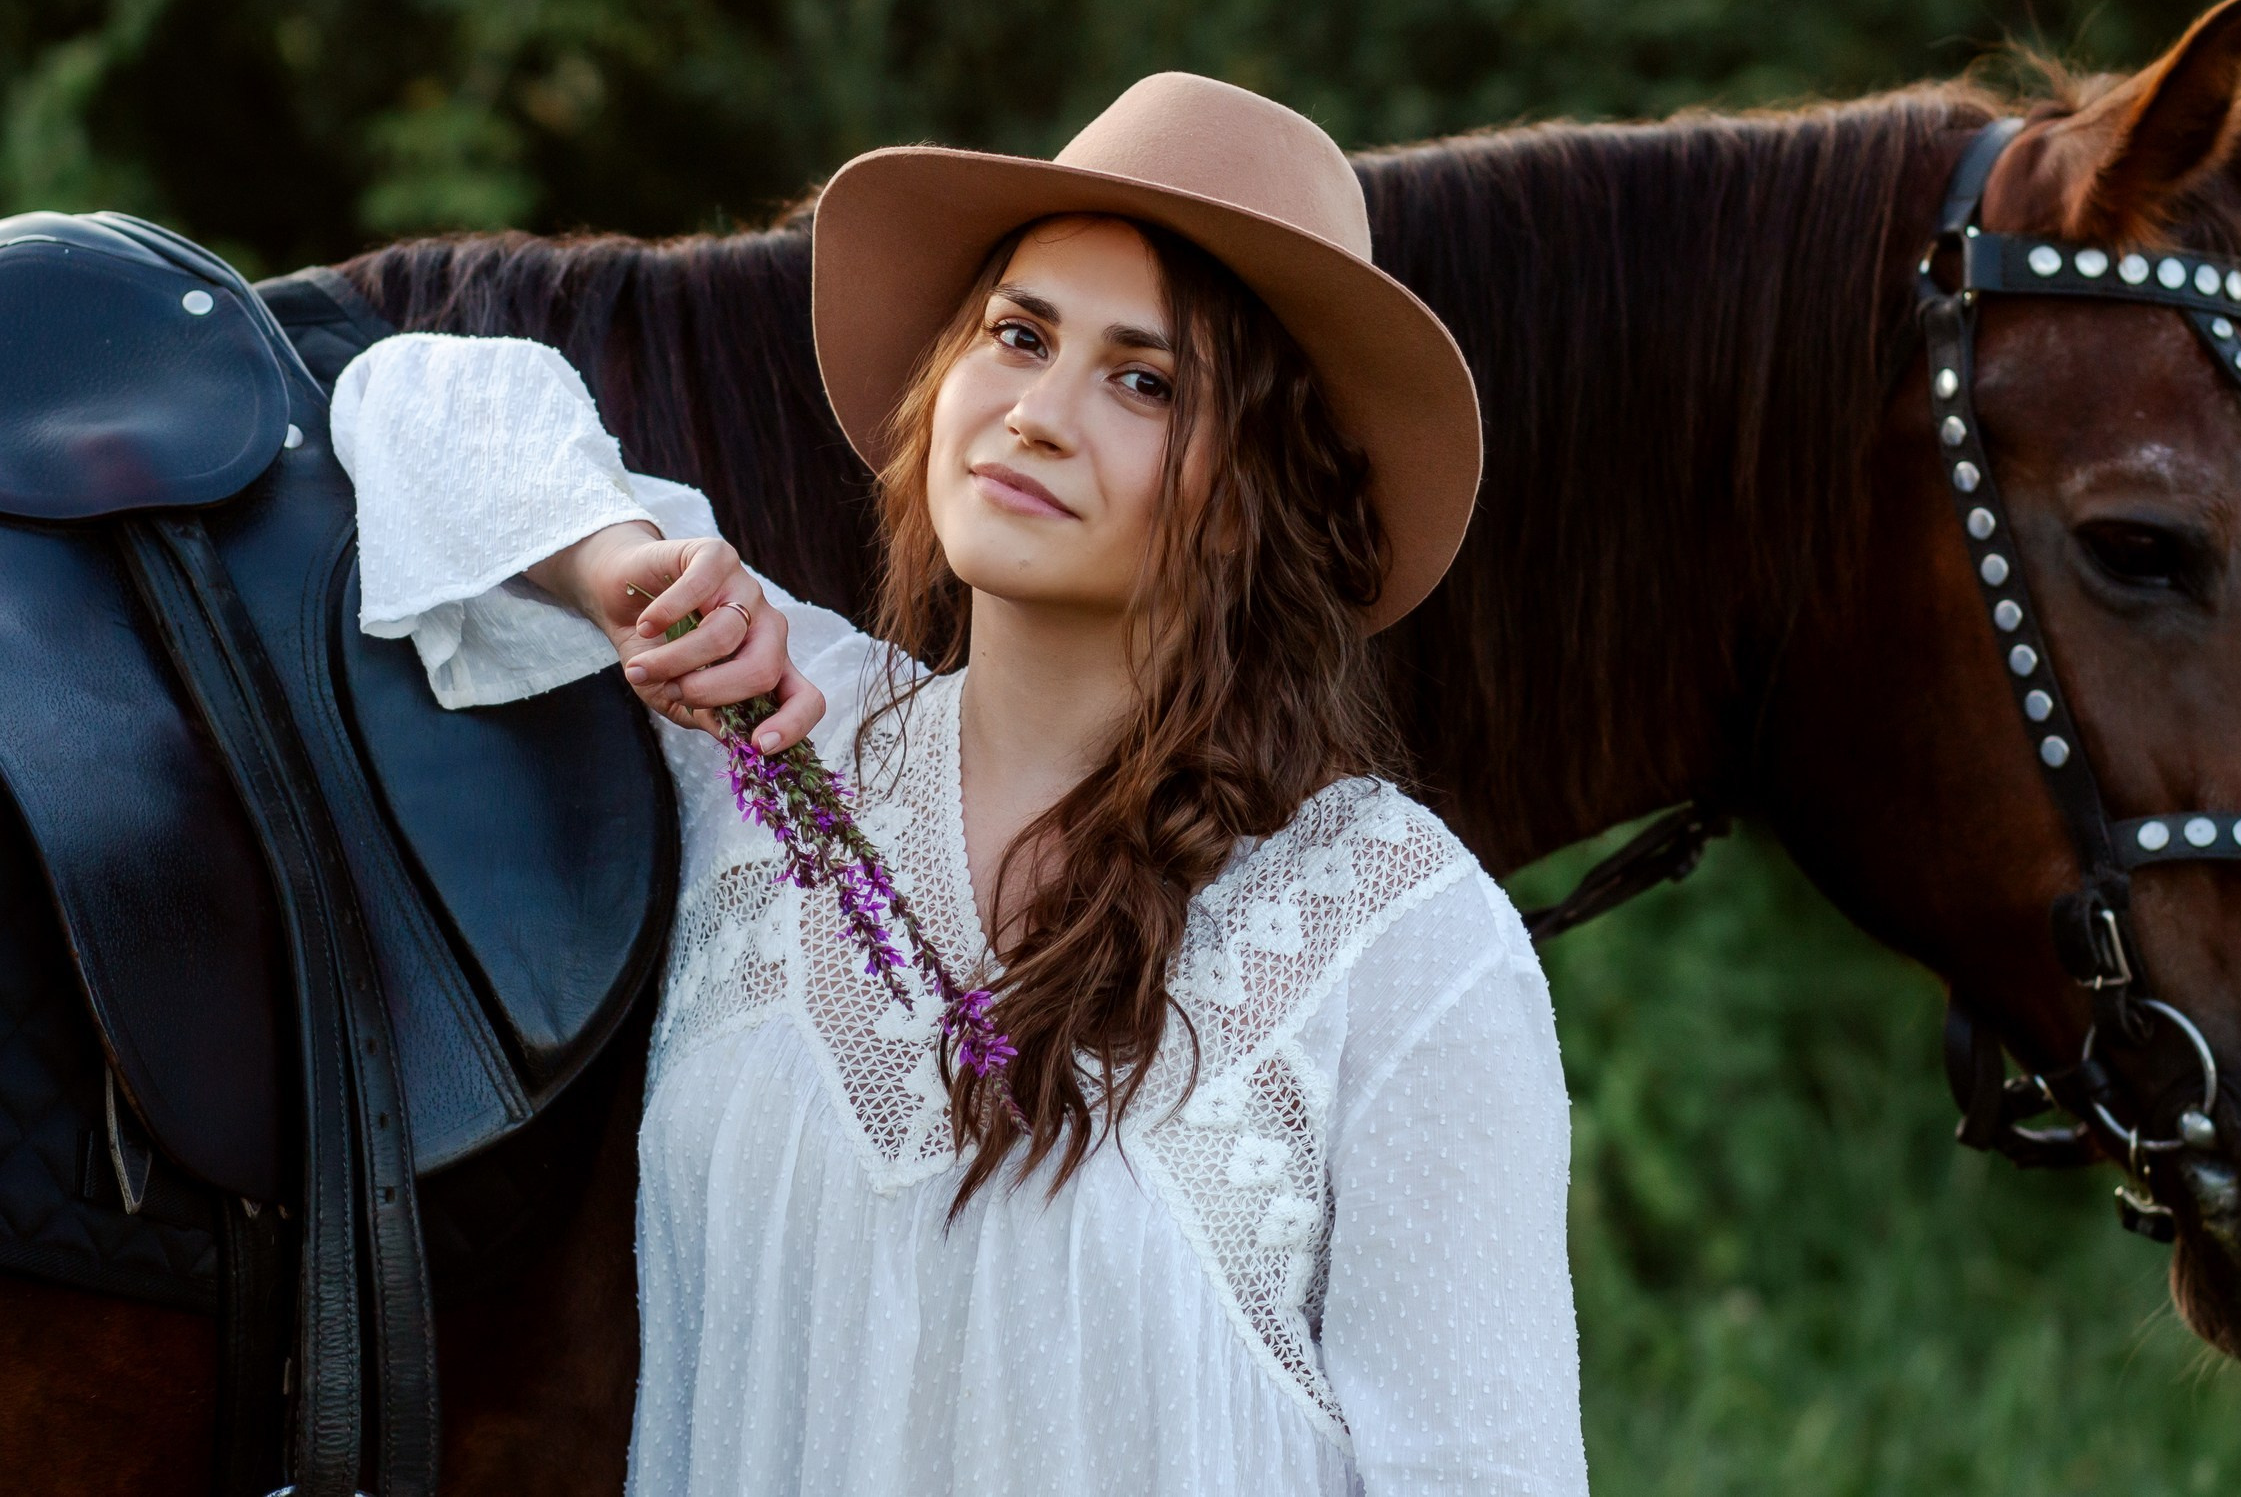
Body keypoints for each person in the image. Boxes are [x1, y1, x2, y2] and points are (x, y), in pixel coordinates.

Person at [332, 72, 1584, 1495]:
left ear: (1256, 495)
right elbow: (413, 397)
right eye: (1019, 332)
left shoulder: (1399, 940)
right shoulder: (776, 729)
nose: (1038, 413)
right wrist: (618, 567)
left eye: (1144, 379)